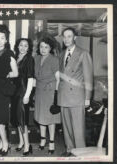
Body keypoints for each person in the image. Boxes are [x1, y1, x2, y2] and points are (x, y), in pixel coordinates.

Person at [57, 27, 93, 156]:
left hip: (77, 97)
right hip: (63, 96)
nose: (66, 39)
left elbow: (88, 78)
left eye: (69, 36)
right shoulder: (61, 54)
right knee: (66, 128)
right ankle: (70, 150)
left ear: (75, 38)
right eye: (64, 36)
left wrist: (87, 98)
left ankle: (81, 153)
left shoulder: (83, 53)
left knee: (78, 130)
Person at [0, 24, 18, 156]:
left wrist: (6, 75)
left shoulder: (9, 53)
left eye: (2, 38)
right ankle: (2, 142)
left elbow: (16, 73)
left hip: (3, 89)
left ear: (6, 40)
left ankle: (5, 142)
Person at [34, 36, 60, 154]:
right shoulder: (36, 58)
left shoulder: (54, 59)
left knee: (50, 118)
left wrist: (56, 94)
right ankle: (43, 140)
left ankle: (52, 143)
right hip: (39, 91)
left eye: (46, 47)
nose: (43, 49)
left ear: (50, 48)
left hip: (50, 91)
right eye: (41, 47)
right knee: (41, 117)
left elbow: (58, 78)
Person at [13, 38, 35, 156]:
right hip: (16, 92)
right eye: (21, 45)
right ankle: (21, 143)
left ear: (28, 48)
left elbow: (31, 78)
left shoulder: (29, 59)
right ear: (17, 46)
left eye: (25, 46)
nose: (23, 47)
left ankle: (27, 145)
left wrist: (27, 95)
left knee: (23, 120)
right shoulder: (16, 58)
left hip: (23, 92)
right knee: (17, 119)